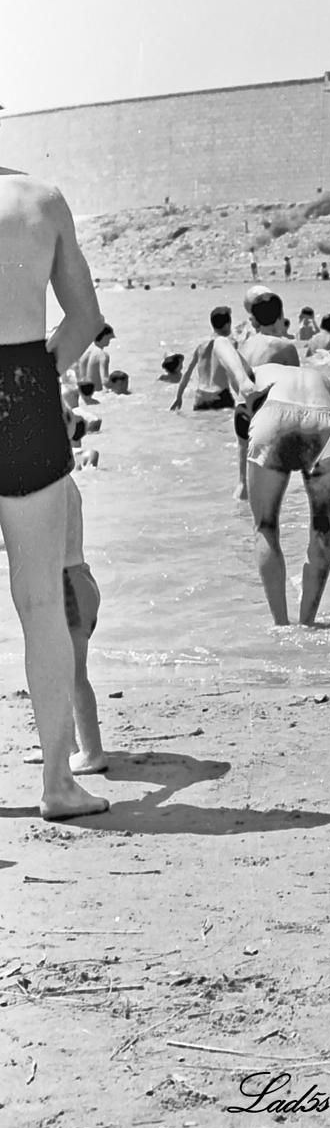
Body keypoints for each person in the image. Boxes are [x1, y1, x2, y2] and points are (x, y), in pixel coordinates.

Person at [0, 166, 109, 819]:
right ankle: (57, 785)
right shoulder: (38, 199)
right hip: (23, 391)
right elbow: (85, 318)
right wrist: (35, 383)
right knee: (41, 602)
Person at [238, 362, 330, 625]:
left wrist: (243, 383)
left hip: (272, 418)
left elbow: (220, 344)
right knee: (327, 527)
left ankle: (280, 625)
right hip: (323, 420)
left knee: (265, 527)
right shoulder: (318, 376)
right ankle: (307, 622)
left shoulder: (256, 366)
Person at [231, 289, 299, 500]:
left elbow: (237, 382)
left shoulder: (245, 345)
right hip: (267, 416)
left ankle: (240, 522)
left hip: (242, 412)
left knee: (244, 484)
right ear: (280, 317)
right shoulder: (285, 347)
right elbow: (296, 389)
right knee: (273, 487)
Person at [62, 471, 107, 773]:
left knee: (74, 675)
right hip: (75, 579)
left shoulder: (50, 485)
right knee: (56, 671)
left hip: (68, 585)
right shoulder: (60, 478)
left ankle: (92, 752)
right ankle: (65, 746)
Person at [170, 307, 237, 411]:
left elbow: (187, 373)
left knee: (202, 426)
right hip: (221, 395)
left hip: (201, 397)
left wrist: (179, 397)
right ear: (228, 324)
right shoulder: (231, 344)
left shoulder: (201, 346)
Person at [76, 323, 114, 391]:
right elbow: (104, 381)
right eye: (109, 338)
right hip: (98, 393)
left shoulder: (85, 352)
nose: (110, 340)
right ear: (104, 337)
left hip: (85, 393)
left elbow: (80, 376)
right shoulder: (103, 355)